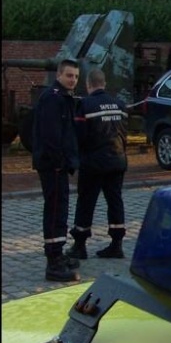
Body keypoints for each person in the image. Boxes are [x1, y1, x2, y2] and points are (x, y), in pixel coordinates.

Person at [67, 68, 129, 260]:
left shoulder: (85, 105)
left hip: (93, 162)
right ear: (104, 84)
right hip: (118, 160)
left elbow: (79, 135)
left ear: (88, 84)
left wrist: (76, 158)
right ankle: (117, 244)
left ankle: (80, 245)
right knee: (115, 201)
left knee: (86, 202)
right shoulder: (119, 105)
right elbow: (124, 134)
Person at [31, 58, 81, 282]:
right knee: (54, 212)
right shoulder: (53, 99)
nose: (73, 80)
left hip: (59, 165)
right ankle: (53, 262)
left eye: (76, 77)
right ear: (59, 75)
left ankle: (58, 254)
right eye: (69, 76)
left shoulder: (63, 98)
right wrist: (60, 162)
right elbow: (52, 136)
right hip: (53, 166)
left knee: (60, 210)